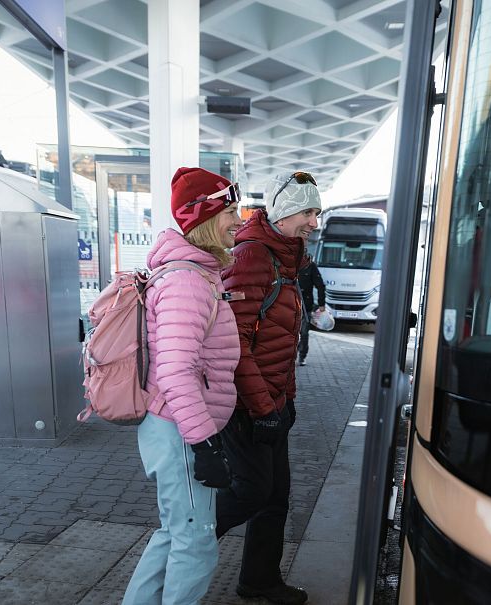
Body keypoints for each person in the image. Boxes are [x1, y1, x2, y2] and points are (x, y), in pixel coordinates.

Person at [123, 167, 243, 605]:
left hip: (176, 427)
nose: (239, 221)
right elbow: (175, 371)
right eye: (230, 211)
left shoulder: (197, 274)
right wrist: (205, 445)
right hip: (179, 430)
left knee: (174, 533)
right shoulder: (187, 281)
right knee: (195, 545)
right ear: (204, 218)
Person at [216, 171, 322, 605]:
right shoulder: (253, 256)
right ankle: (185, 535)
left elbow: (281, 337)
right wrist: (263, 409)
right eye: (307, 212)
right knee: (252, 491)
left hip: (277, 402)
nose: (315, 222)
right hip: (248, 406)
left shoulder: (287, 255)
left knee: (276, 497)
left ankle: (260, 580)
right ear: (283, 212)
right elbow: (234, 342)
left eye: (317, 212)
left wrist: (285, 401)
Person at [297, 254, 326, 365]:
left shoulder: (311, 266)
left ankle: (302, 356)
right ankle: (292, 353)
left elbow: (320, 285)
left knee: (304, 332)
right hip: (290, 305)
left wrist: (321, 304)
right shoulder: (289, 263)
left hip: (305, 305)